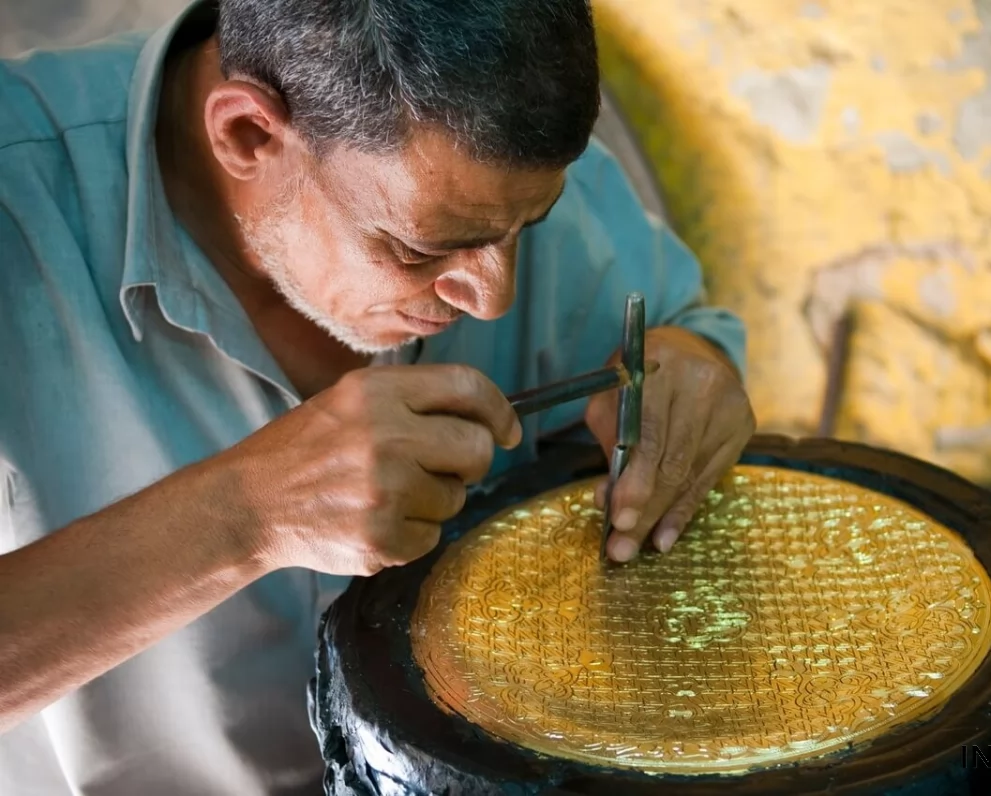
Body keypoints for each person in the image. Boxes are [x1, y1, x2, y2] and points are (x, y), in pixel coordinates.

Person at [0, 0, 754, 793]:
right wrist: (246, 513)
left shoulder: (491, 147)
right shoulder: (18, 211)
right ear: (248, 135)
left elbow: (675, 329)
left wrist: (693, 366)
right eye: (420, 248)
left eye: (529, 227)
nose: (493, 298)